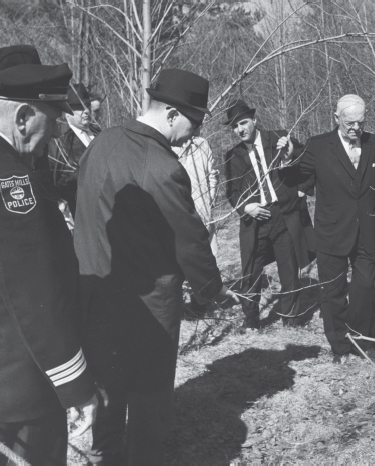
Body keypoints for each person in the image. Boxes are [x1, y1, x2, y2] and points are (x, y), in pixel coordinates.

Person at [74, 69, 236, 465]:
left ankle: (106, 455)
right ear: (172, 114)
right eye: (193, 123)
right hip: (148, 299)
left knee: (109, 383)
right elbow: (189, 237)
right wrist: (212, 289)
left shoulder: (102, 142)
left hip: (95, 289)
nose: (193, 134)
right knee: (150, 391)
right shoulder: (161, 165)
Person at [0, 45, 97, 465]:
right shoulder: (6, 176)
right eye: (51, 123)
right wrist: (76, 385)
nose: (51, 137)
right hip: (22, 391)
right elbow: (34, 292)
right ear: (23, 118)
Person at [280, 94, 375, 363]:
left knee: (365, 288)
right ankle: (339, 346)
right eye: (349, 123)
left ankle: (361, 341)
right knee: (332, 293)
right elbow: (296, 178)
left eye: (360, 122)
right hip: (331, 233)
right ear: (336, 119)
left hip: (368, 231)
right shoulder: (319, 146)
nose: (355, 128)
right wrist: (285, 160)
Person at [224, 100, 315, 329]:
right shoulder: (232, 156)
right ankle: (251, 321)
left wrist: (300, 185)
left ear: (254, 120)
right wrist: (246, 207)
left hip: (282, 215)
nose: (240, 129)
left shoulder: (279, 138)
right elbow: (232, 193)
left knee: (289, 270)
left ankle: (290, 321)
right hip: (254, 219)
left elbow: (309, 163)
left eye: (243, 123)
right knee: (250, 272)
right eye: (235, 126)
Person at [50, 82, 100, 217]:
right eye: (79, 108)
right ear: (67, 113)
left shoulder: (100, 134)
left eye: (87, 106)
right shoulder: (58, 141)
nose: (86, 112)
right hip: (74, 212)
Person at [174, 129, 219, 255]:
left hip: (206, 217)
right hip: (183, 222)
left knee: (211, 262)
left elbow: (212, 176)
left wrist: (210, 199)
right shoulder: (169, 147)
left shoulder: (203, 143)